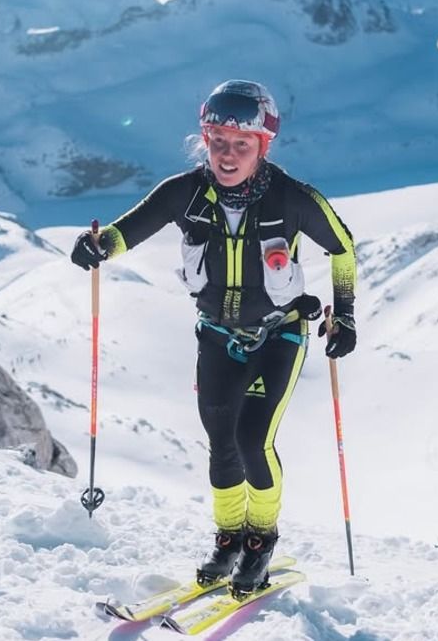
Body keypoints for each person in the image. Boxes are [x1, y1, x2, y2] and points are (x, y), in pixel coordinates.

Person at [70, 79, 358, 596]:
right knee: (221, 445)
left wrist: (348, 314)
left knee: (253, 440)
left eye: (241, 145)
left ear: (263, 146)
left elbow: (342, 246)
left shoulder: (294, 199)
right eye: (217, 141)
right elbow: (126, 231)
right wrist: (97, 247)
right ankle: (228, 539)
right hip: (216, 336)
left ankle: (260, 541)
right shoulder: (184, 193)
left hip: (279, 336)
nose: (227, 154)